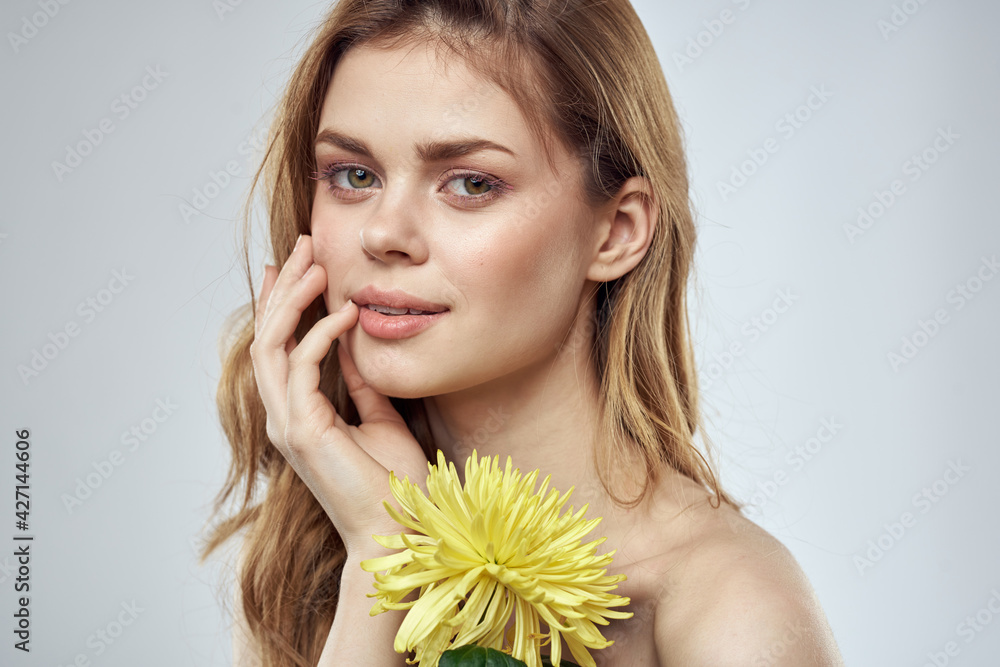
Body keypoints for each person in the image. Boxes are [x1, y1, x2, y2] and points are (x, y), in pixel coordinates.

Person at [200, 0, 845, 665]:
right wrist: (381, 556)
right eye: (354, 175)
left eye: (471, 183)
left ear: (618, 230)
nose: (383, 233)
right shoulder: (317, 545)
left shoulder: (734, 607)